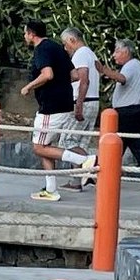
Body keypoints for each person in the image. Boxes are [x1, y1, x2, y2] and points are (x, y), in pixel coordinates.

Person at [19, 19, 90, 201]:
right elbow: (75, 75)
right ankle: (51, 189)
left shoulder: (41, 49)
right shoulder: (58, 48)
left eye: (25, 33)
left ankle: (82, 160)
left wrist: (29, 87)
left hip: (51, 107)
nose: (24, 36)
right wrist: (61, 85)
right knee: (46, 146)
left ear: (32, 34)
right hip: (65, 103)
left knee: (39, 147)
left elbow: (47, 74)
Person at [97, 39, 140, 189]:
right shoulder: (135, 66)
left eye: (117, 51)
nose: (114, 55)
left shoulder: (131, 66)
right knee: (126, 144)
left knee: (126, 144)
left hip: (128, 112)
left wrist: (104, 70)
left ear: (126, 52)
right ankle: (105, 173)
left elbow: (122, 78)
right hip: (132, 111)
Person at [62, 29, 101, 131]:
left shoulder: (80, 54)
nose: (65, 48)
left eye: (65, 43)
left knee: (68, 138)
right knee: (83, 138)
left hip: (84, 101)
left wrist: (79, 104)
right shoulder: (91, 53)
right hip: (92, 101)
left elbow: (84, 80)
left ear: (72, 40)